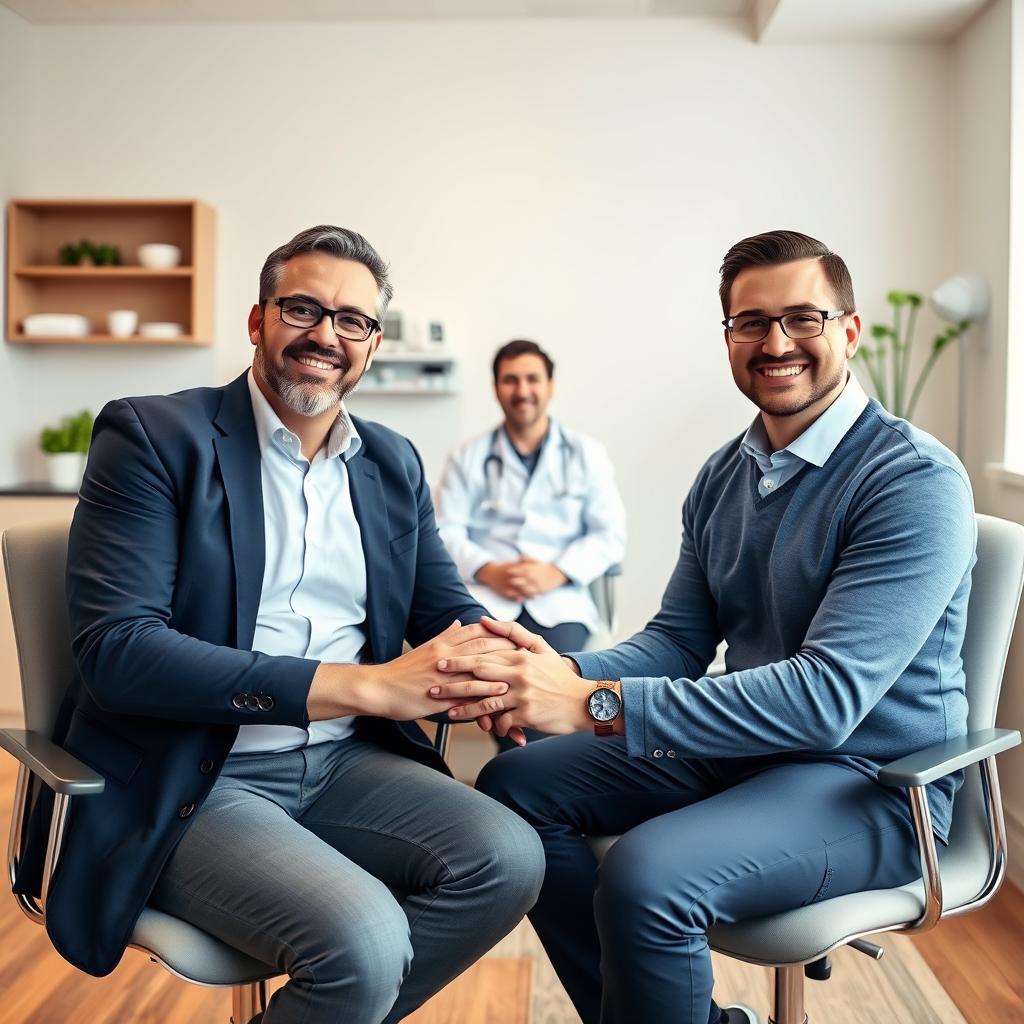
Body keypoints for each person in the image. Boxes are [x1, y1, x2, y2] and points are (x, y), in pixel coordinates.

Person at [429, 230, 976, 1024]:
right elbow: (679, 641)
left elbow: (826, 700)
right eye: (751, 323)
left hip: (872, 779)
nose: (776, 342)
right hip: (745, 749)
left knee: (649, 876)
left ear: (849, 331)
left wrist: (591, 705)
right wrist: (554, 672)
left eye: (803, 318)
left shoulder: (911, 480)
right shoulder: (725, 474)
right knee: (514, 788)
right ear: (728, 338)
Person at [15, 226, 545, 1024]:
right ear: (259, 320)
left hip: (345, 766)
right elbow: (119, 652)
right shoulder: (155, 437)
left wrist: (515, 665)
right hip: (193, 776)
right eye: (304, 308)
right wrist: (359, 685)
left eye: (353, 321)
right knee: (362, 945)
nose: (326, 335)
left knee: (509, 860)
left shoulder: (390, 461)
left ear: (370, 345)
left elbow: (443, 610)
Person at [436, 340, 626, 746]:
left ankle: (527, 772)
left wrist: (554, 573)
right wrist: (491, 570)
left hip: (560, 602)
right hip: (487, 600)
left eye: (532, 379)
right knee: (501, 683)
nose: (522, 390)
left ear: (550, 386)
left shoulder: (586, 454)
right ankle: (527, 773)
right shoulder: (467, 457)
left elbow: (609, 536)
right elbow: (444, 532)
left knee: (553, 678)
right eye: (511, 380)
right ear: (496, 388)